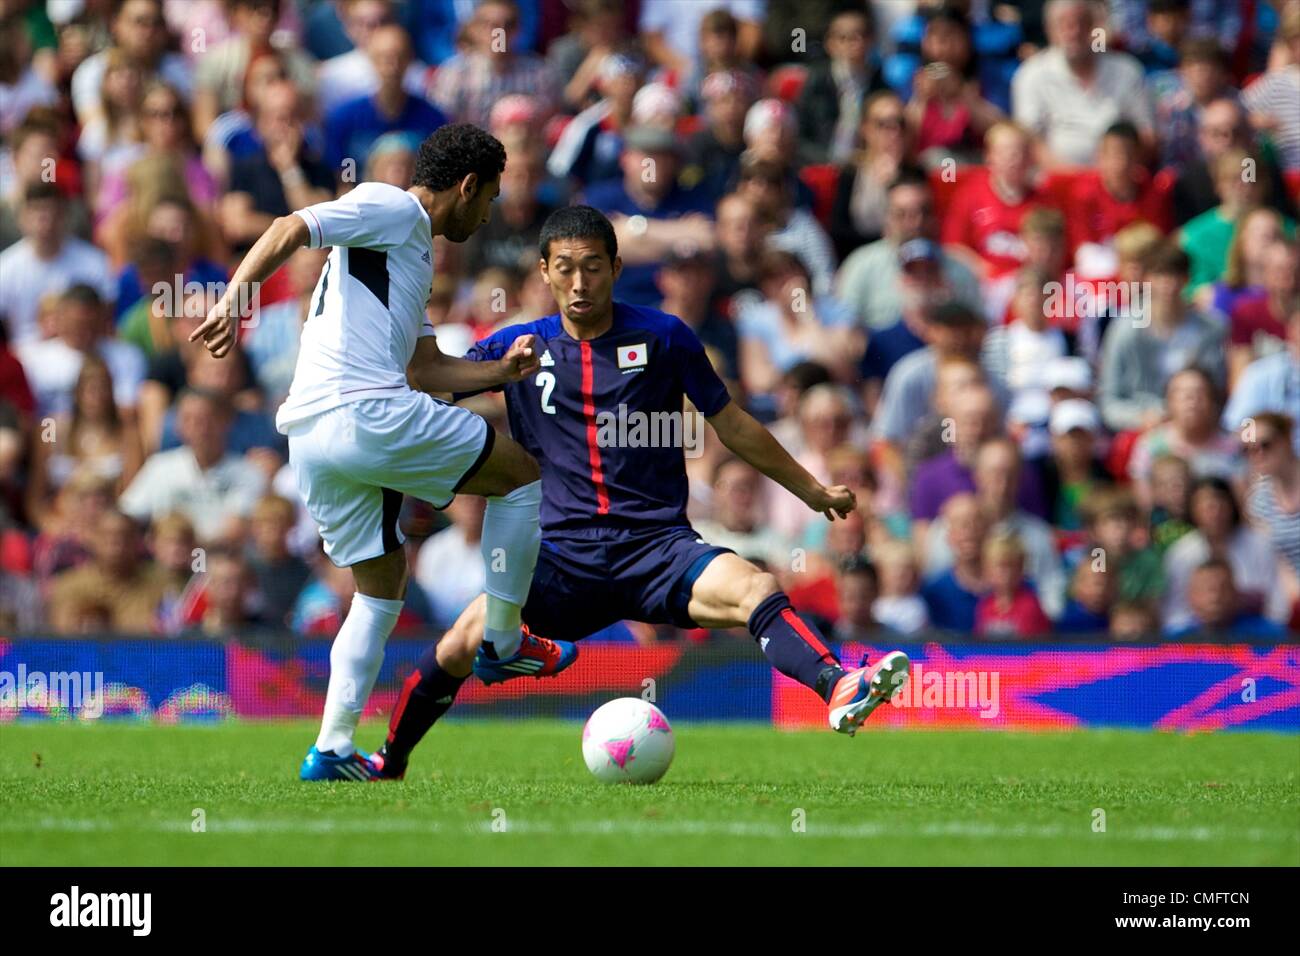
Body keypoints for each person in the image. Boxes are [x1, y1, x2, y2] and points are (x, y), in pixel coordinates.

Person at [371, 204, 912, 781]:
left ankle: (840, 686)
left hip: (657, 549)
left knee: (755, 586)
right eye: (566, 269)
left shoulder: (664, 337)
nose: (580, 283)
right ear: (545, 272)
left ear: (617, 267)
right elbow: (431, 378)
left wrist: (810, 490)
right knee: (463, 640)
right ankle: (389, 761)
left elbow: (729, 423)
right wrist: (483, 370)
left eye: (593, 268)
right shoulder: (518, 346)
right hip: (560, 559)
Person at [189, 124, 548, 782]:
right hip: (364, 413)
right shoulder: (394, 207)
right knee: (521, 478)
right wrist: (234, 298)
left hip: (315, 437)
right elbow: (288, 228)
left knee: (380, 590)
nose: (489, 212)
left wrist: (503, 373)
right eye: (489, 198)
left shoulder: (405, 256)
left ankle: (330, 748)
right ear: (465, 187)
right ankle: (499, 639)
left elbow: (426, 367)